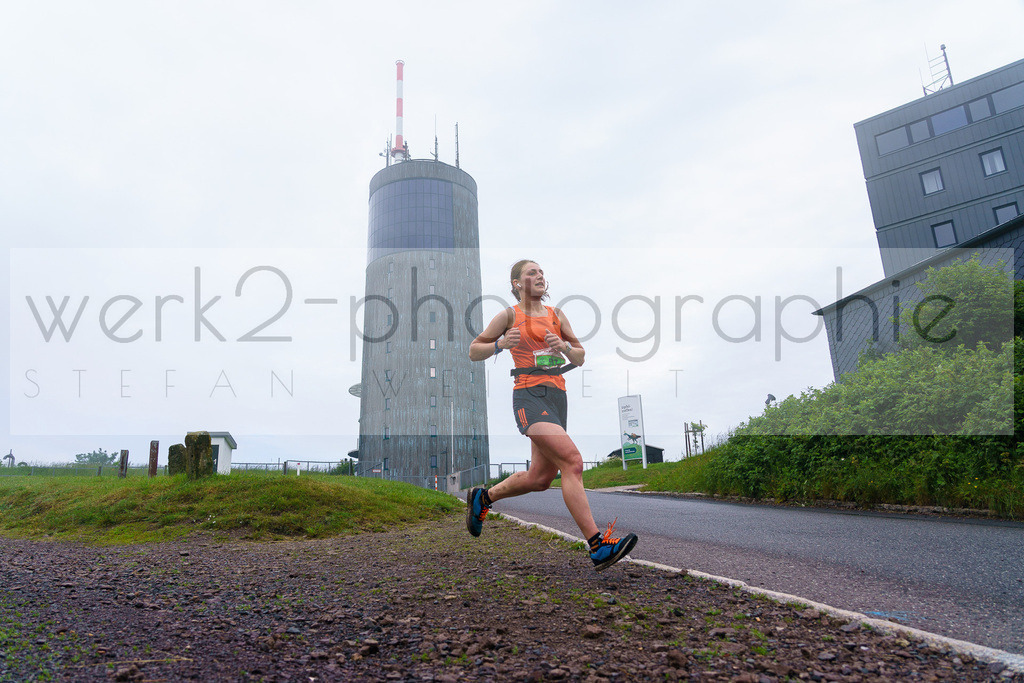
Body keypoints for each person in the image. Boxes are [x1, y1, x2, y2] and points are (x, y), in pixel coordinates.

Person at [466, 259, 638, 571]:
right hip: (529, 394)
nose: (539, 276)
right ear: (517, 283)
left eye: (541, 272)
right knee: (572, 461)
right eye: (531, 273)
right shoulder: (509, 315)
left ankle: (484, 498)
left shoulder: (556, 315)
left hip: (558, 395)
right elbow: (474, 349)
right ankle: (597, 546)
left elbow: (580, 355)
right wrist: (501, 344)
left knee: (541, 478)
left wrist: (564, 347)